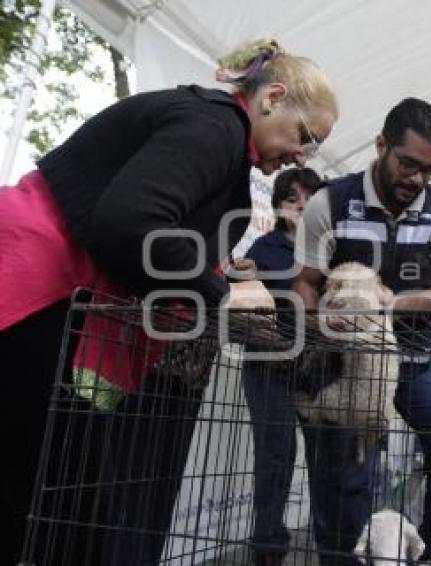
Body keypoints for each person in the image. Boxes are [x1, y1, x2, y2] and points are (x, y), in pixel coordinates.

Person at [0, 38, 338, 565]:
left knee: (62, 492)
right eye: (306, 136)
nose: (302, 154)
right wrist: (220, 293)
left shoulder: (221, 138)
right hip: (37, 287)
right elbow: (131, 221)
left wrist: (222, 282)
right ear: (272, 97)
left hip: (62, 299)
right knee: (54, 489)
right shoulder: (215, 126)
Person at [292, 98, 431, 565]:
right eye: (407, 163)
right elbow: (305, 283)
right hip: (343, 362)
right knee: (346, 475)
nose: (416, 178)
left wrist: (391, 304)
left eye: (429, 169)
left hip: (412, 356)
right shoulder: (328, 202)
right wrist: (320, 327)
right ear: (381, 145)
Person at [240, 168, 324, 565]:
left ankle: (332, 542)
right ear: (277, 205)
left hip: (316, 367)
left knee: (325, 452)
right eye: (293, 198)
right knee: (276, 453)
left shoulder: (328, 252)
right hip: (267, 365)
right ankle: (268, 548)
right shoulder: (261, 249)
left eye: (309, 197)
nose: (302, 205)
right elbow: (242, 303)